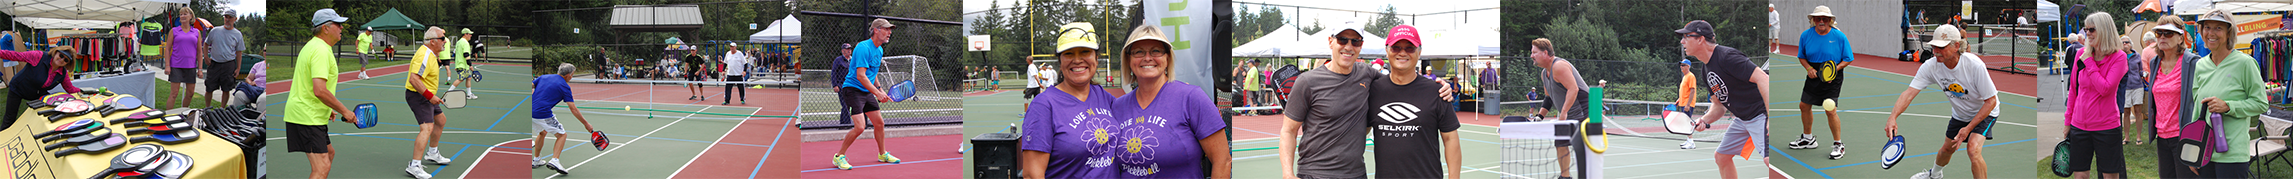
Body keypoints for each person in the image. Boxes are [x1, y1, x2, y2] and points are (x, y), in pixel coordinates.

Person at [1107, 25, 1231, 178]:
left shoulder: (1192, 97)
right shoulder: (1118, 106)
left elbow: (1222, 160)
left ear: (1167, 58)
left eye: (1156, 51)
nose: (1147, 58)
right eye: (1138, 52)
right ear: (1128, 60)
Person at [1882, 24, 1998, 179]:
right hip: (1960, 114)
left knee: (1973, 149)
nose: (1936, 51)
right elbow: (1909, 93)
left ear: (1956, 46)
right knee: (1946, 149)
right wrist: (1893, 117)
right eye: (1934, 46)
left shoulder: (1974, 65)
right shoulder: (1931, 66)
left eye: (1941, 47)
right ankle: (1935, 175)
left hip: (1985, 111)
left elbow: (1990, 102)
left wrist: (1968, 128)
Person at [1278, 21, 1385, 179]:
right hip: (1315, 174)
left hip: (1356, 174)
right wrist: (1288, 174)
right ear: (1330, 42)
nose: (1349, 47)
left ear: (1361, 45)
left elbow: (1397, 85)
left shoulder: (1367, 74)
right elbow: (1288, 131)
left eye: (1355, 41)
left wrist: (1434, 89)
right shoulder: (1307, 81)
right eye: (1342, 40)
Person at [1020, 22, 1119, 178]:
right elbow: (1032, 174)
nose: (1077, 60)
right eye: (1069, 53)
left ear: (1096, 58)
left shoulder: (1104, 96)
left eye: (1085, 52)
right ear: (1060, 60)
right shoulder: (1044, 105)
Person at [1678, 20, 1774, 179]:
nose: (1682, 42)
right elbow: (1719, 106)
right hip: (1742, 118)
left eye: (1686, 37)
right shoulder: (1705, 69)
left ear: (1700, 39)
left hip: (1761, 114)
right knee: (1721, 156)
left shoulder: (1727, 57)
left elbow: (1763, 78)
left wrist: (1772, 116)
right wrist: (1704, 119)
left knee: (1771, 160)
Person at [1366, 25, 1460, 179]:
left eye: (1409, 48)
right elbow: (1361, 131)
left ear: (1419, 52)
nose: (1402, 53)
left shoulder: (1437, 92)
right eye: (1396, 47)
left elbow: (1450, 138)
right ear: (1387, 50)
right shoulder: (1372, 90)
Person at [287, 9, 362, 179]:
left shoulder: (315, 46)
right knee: (321, 168)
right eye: (338, 24)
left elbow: (310, 86)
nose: (341, 28)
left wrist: (328, 108)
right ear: (325, 28)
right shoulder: (320, 50)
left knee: (329, 154)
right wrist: (345, 111)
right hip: (306, 116)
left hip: (309, 114)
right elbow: (319, 90)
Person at [2189, 10, 2263, 178]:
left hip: (2232, 155)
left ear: (2229, 32)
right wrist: (2194, 151)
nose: (2211, 33)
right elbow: (2196, 109)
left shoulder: (2245, 63)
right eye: (2207, 27)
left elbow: (2260, 103)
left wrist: (2228, 106)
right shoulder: (2200, 65)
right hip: (2205, 152)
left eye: (2218, 28)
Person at [2064, 12, 2128, 179]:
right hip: (2079, 125)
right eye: (2086, 29)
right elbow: (2073, 90)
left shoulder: (2119, 58)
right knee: (2080, 175)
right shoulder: (2081, 54)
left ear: (2105, 30)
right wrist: (2067, 121)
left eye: (2092, 29)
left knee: (2110, 176)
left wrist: (2089, 63)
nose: (2087, 33)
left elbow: (2105, 89)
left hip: (2106, 127)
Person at [831, 18, 901, 170]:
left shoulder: (880, 49)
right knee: (860, 127)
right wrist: (876, 93)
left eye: (890, 30)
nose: (889, 32)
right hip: (852, 90)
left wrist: (880, 89)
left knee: (879, 123)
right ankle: (839, 156)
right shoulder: (863, 47)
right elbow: (861, 75)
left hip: (866, 90)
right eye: (886, 29)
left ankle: (882, 154)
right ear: (876, 30)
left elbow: (872, 73)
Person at [1788, 5, 1855, 160]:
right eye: (1818, 18)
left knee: (1830, 110)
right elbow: (1801, 56)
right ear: (1813, 20)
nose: (1821, 21)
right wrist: (1808, 68)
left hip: (1833, 75)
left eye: (1825, 19)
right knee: (1804, 105)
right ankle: (1808, 138)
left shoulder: (1839, 36)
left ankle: (1838, 144)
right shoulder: (1806, 35)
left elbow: (1848, 58)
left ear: (1830, 20)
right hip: (1814, 72)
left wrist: (1833, 70)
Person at [2132, 13, 2192, 178]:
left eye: (2169, 33)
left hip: (2184, 135)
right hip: (2162, 135)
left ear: (2180, 38)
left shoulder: (2192, 63)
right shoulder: (2155, 62)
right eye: (2159, 33)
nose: (2163, 37)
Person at [1528, 37, 1588, 179]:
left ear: (1546, 53)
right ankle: (1565, 177)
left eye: (1534, 52)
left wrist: (1563, 113)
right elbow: (1548, 98)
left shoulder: (1559, 66)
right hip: (1568, 115)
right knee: (1560, 143)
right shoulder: (1544, 73)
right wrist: (1539, 117)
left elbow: (1573, 89)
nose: (1531, 56)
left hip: (1585, 111)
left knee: (1583, 147)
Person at [400, 27, 456, 178]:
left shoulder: (431, 53)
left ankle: (432, 153)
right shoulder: (424, 55)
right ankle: (415, 165)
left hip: (427, 94)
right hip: (418, 95)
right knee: (427, 128)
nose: (445, 41)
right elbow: (414, 79)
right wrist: (429, 96)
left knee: (441, 120)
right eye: (442, 39)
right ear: (432, 42)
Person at [530, 63, 591, 174]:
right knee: (562, 135)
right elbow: (573, 109)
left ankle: (536, 160)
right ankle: (555, 160)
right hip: (542, 113)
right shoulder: (564, 86)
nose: (571, 77)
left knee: (542, 133)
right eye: (572, 75)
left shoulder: (544, 77)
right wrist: (586, 124)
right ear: (567, 75)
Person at [205, 9, 245, 108]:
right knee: (209, 87)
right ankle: (207, 108)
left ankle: (222, 109)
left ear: (235, 19)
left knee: (226, 88)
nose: (227, 19)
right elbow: (206, 44)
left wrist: (238, 68)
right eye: (226, 17)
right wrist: (206, 56)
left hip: (228, 64)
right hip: (214, 63)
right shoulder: (215, 31)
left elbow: (239, 52)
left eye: (230, 17)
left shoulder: (238, 34)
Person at [166, 6, 204, 109]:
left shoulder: (196, 32)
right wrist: (167, 66)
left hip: (190, 66)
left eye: (185, 14)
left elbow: (200, 52)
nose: (183, 16)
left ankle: (183, 112)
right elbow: (167, 49)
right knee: (174, 93)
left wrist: (200, 69)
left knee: (190, 93)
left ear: (191, 16)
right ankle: (168, 116)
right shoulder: (174, 31)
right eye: (181, 14)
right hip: (176, 65)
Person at [449, 29, 477, 99]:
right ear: (465, 34)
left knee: (469, 78)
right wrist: (470, 65)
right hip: (463, 65)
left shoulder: (459, 42)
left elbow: (456, 54)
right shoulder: (465, 42)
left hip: (461, 64)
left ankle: (469, 94)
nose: (471, 35)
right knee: (460, 79)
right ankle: (448, 92)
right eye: (469, 34)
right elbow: (466, 54)